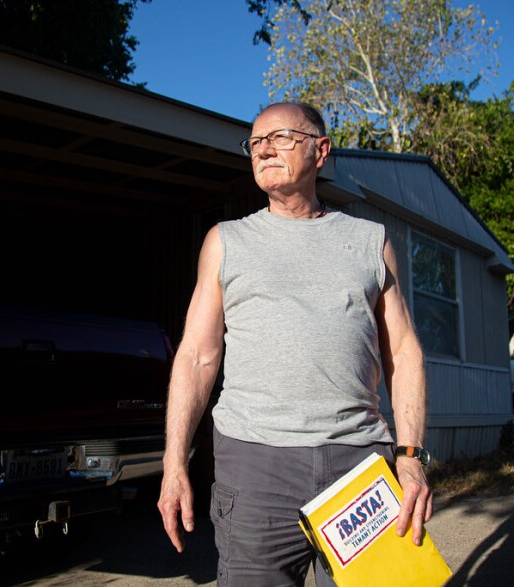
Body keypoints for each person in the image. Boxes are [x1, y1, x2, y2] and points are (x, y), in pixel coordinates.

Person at [157, 102, 433, 586]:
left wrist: (409, 458)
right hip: (256, 463)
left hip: (359, 462)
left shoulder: (370, 241)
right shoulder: (226, 241)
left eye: (279, 137)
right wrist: (174, 462)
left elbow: (405, 352)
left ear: (320, 150)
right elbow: (198, 355)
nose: (263, 149)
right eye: (255, 143)